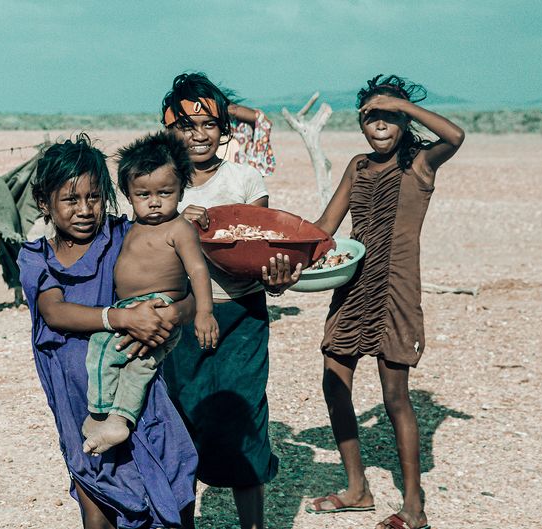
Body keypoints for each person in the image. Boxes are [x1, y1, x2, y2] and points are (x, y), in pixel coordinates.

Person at [306, 74, 465, 529]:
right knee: (334, 381)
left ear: (404, 121)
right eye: (371, 117)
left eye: (390, 117)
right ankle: (357, 488)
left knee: (395, 396)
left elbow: (455, 136)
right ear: (361, 123)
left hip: (396, 291)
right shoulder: (358, 166)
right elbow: (325, 228)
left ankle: (414, 507)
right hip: (352, 286)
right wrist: (282, 254)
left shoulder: (420, 164)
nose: (380, 125)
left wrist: (401, 105)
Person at [17, 134, 198, 529]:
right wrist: (122, 319)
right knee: (96, 493)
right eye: (70, 200)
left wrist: (174, 314)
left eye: (94, 197)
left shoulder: (126, 237)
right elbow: (55, 312)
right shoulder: (37, 257)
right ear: (44, 202)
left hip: (138, 390)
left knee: (172, 475)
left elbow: (183, 292)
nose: (85, 210)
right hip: (78, 400)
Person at [159, 72, 300, 529]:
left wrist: (277, 280)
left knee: (246, 415)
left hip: (242, 315)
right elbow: (145, 247)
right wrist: (177, 221)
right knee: (185, 417)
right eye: (186, 126)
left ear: (224, 129)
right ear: (169, 130)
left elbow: (259, 250)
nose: (198, 135)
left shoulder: (245, 179)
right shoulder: (162, 187)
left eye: (209, 125)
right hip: (182, 318)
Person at [82, 131, 219, 456]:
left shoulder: (179, 228)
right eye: (143, 194)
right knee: (138, 366)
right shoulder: (132, 227)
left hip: (160, 306)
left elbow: (198, 270)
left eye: (165, 192)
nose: (154, 201)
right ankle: (120, 419)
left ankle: (98, 412)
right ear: (128, 195)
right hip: (133, 308)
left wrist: (204, 312)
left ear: (182, 189)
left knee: (102, 347)